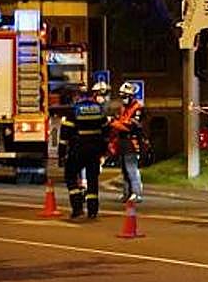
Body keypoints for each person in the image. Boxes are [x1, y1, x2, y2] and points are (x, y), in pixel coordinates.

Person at [59, 82, 110, 219]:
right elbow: (106, 132)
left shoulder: (74, 111)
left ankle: (77, 207)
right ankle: (93, 210)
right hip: (95, 150)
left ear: (77, 97)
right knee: (92, 179)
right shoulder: (99, 110)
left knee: (70, 176)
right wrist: (103, 150)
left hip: (78, 149)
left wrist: (61, 154)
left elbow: (64, 136)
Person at [110, 81, 146, 203]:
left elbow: (131, 126)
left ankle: (136, 193)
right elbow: (122, 122)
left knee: (131, 169)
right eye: (122, 96)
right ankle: (127, 193)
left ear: (131, 96)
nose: (123, 99)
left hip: (132, 141)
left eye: (125, 96)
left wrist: (115, 123)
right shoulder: (123, 108)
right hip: (122, 141)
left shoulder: (138, 108)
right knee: (124, 170)